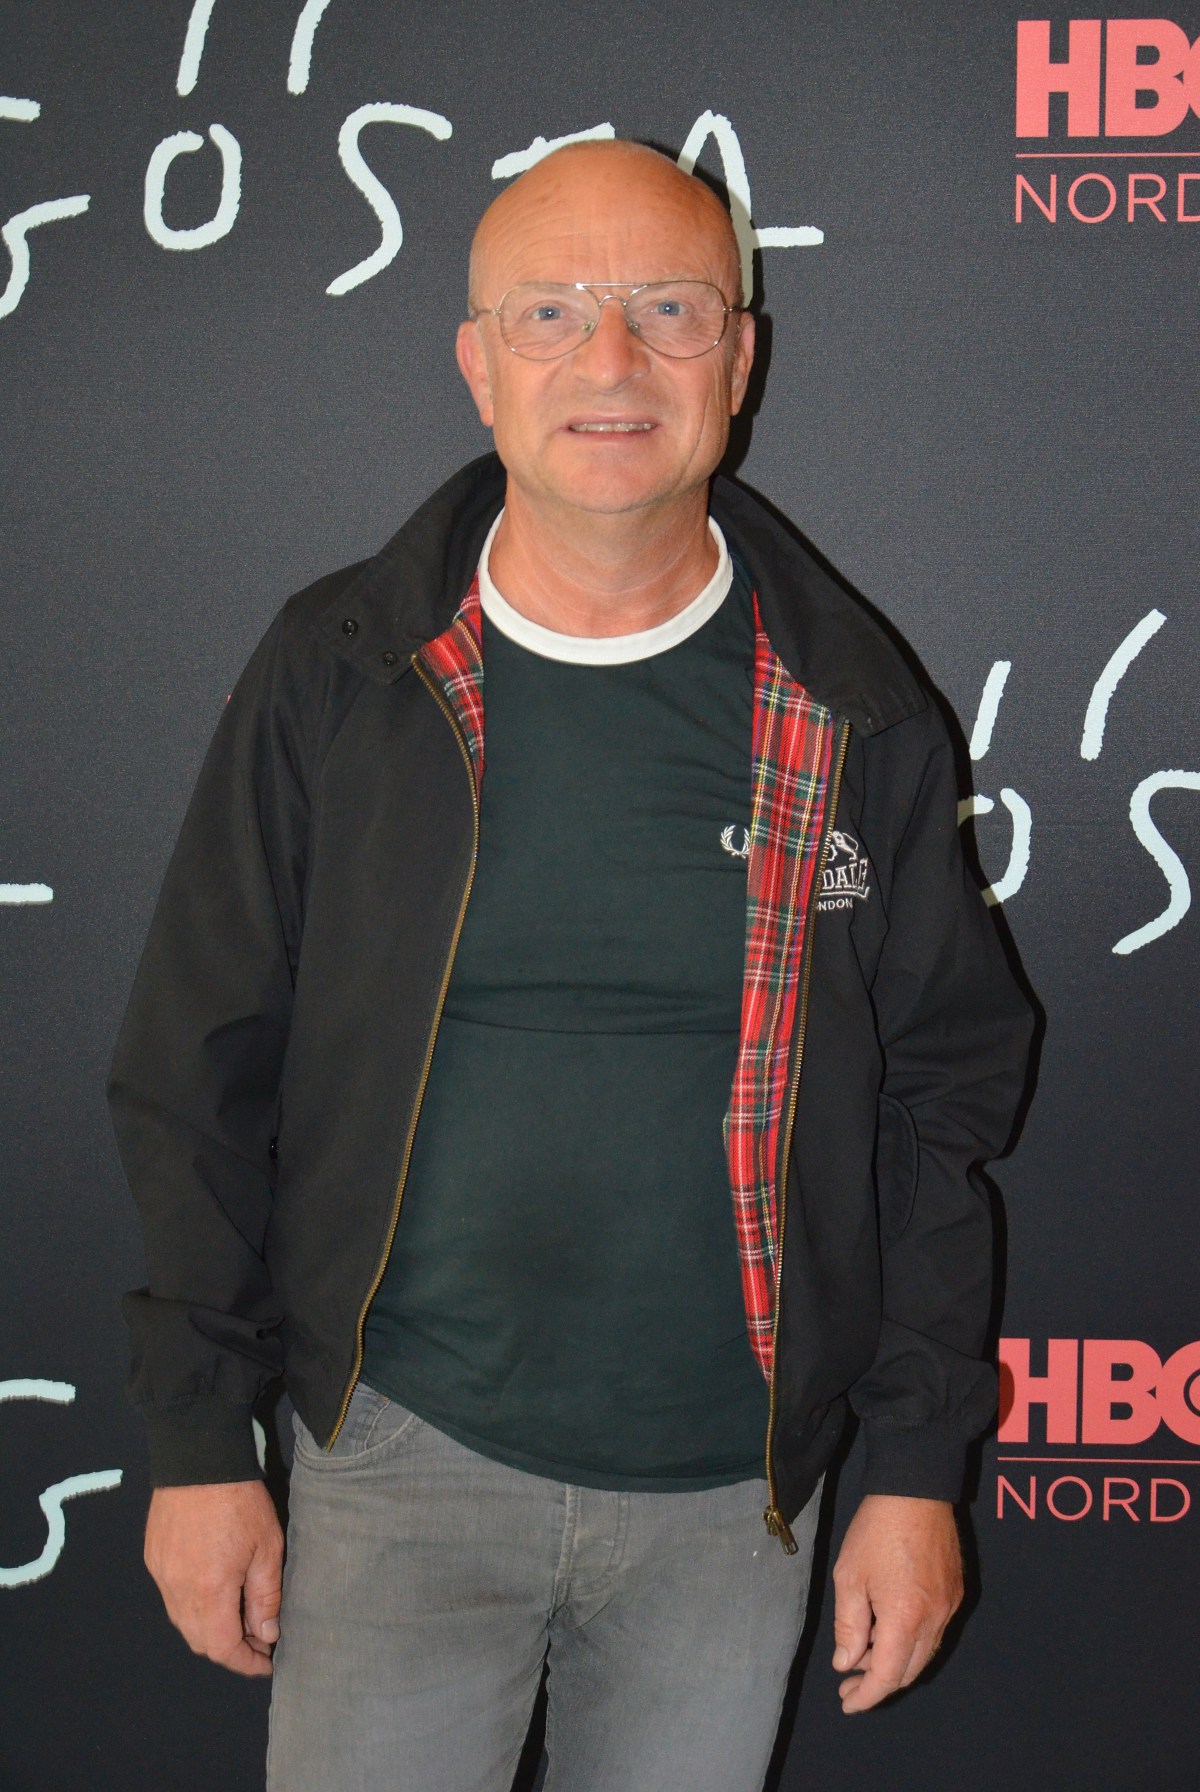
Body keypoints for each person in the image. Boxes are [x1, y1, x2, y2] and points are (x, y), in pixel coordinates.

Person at [109, 139, 1032, 1792]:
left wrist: (911, 1470)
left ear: (739, 360)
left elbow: (938, 1106)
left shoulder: (856, 712)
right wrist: (197, 1435)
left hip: (733, 1489)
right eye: (551, 312)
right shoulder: (343, 672)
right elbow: (199, 1062)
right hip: (395, 1451)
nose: (611, 360)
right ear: (479, 364)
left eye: (670, 309)